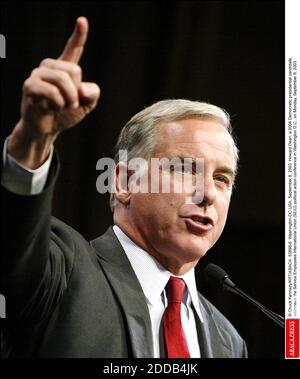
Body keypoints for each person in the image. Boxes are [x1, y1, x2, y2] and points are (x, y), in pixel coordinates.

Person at [0, 17, 247, 358]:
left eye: (222, 179)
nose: (207, 193)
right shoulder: (58, 272)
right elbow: (14, 240)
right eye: (185, 169)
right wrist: (32, 141)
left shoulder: (229, 342)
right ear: (125, 181)